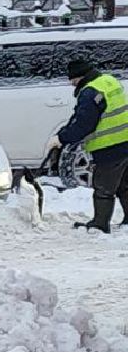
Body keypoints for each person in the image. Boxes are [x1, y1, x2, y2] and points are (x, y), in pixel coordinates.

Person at [49, 57, 128, 233]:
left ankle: (100, 224)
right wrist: (63, 133)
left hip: (110, 146)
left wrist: (61, 139)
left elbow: (83, 124)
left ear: (80, 76)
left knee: (103, 188)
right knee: (124, 184)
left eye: (72, 79)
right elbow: (78, 117)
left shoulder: (89, 92)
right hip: (125, 141)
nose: (71, 84)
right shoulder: (108, 81)